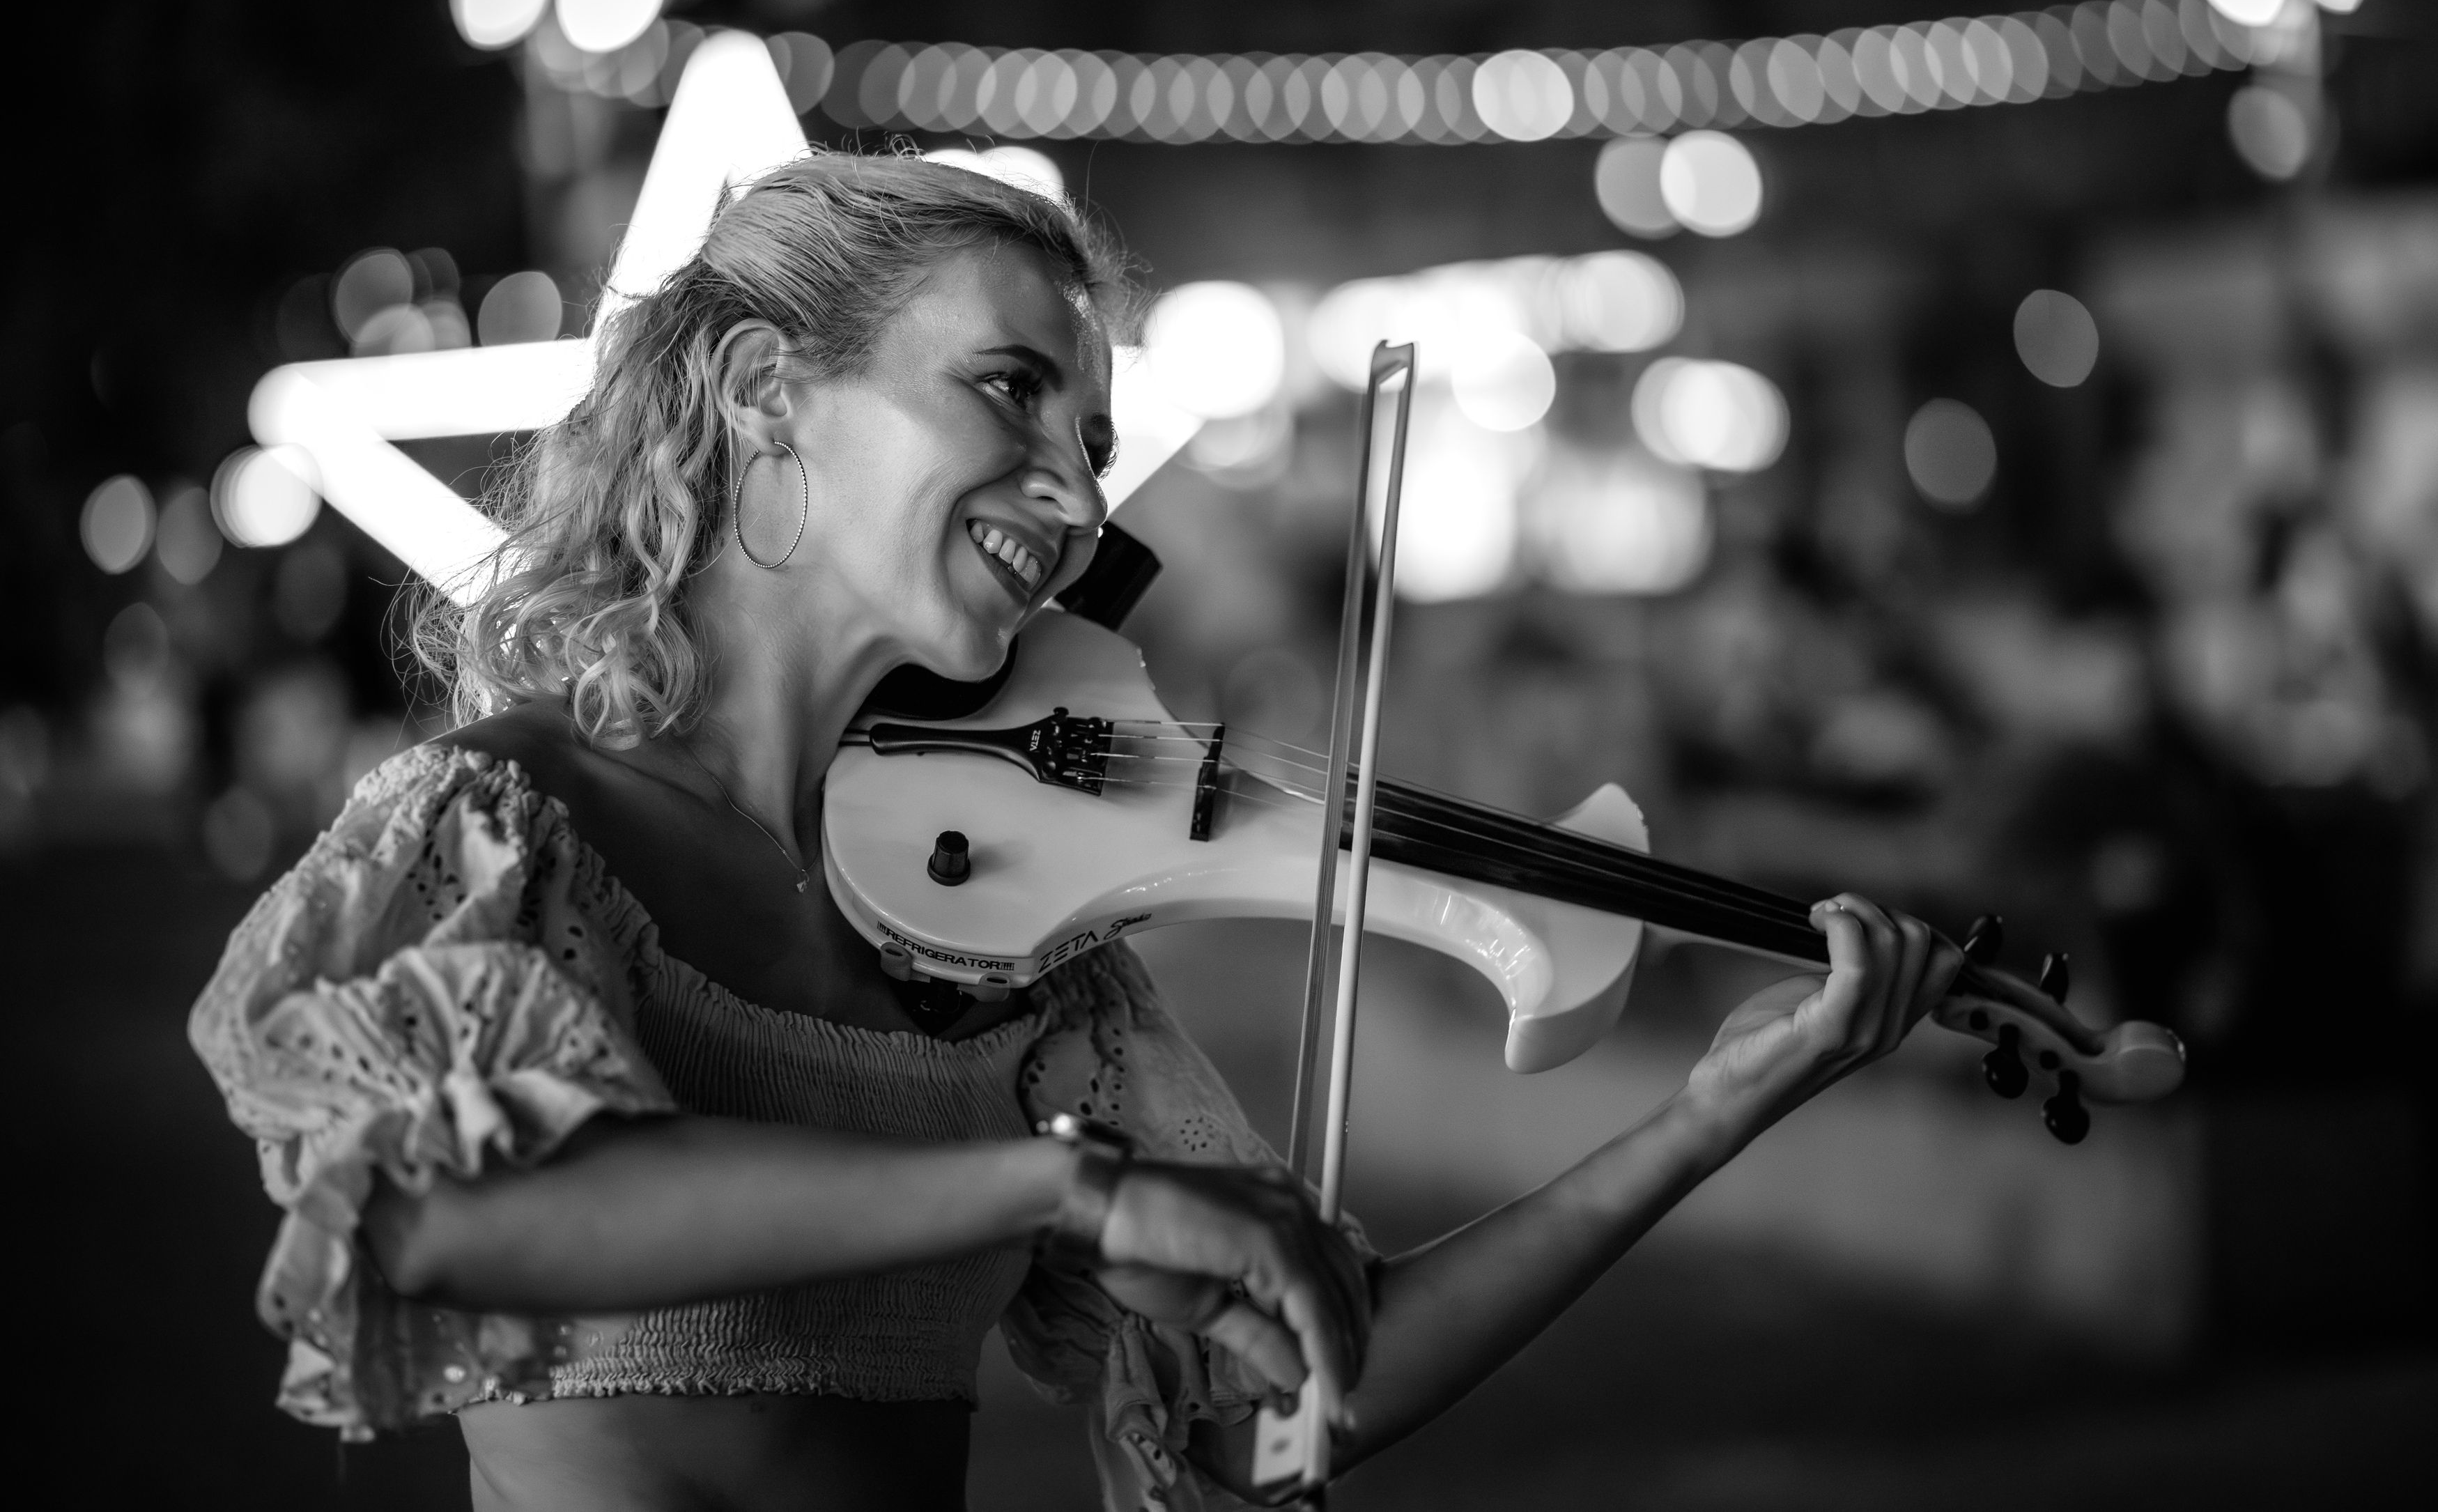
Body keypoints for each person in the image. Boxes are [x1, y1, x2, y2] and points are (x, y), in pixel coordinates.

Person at [190, 153, 1963, 1512]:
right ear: (759, 388)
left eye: (1094, 432)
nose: (1079, 488)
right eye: (1009, 388)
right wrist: (1065, 1182)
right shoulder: (511, 831)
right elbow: (449, 1214)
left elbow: (1295, 1384)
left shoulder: (997, 938)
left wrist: (1707, 1114)